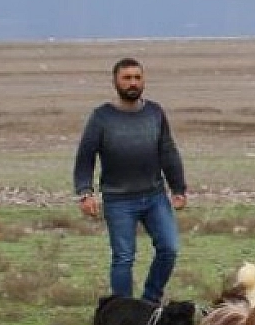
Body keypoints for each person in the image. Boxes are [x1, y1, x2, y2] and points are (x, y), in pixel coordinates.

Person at [72, 57, 189, 303]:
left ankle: (149, 301)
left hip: (154, 196)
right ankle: (123, 309)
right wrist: (85, 192)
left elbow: (167, 151)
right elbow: (85, 156)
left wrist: (178, 188)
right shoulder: (101, 117)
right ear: (115, 81)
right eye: (126, 78)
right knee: (124, 257)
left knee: (169, 248)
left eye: (137, 77)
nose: (132, 83)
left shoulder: (155, 113)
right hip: (118, 199)